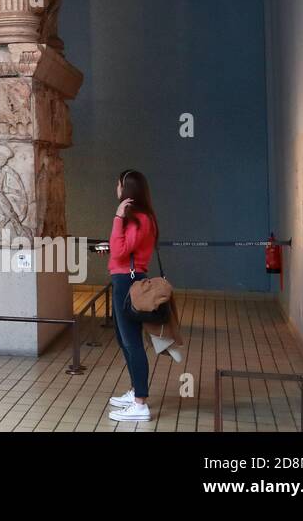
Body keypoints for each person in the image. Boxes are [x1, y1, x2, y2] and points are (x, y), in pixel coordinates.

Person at [108, 169, 159, 424]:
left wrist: (118, 216)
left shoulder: (139, 219)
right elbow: (121, 251)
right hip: (124, 278)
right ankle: (135, 391)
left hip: (129, 282)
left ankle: (140, 403)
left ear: (126, 189)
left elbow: (118, 250)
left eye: (118, 185)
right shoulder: (138, 217)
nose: (116, 189)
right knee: (123, 338)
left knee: (132, 342)